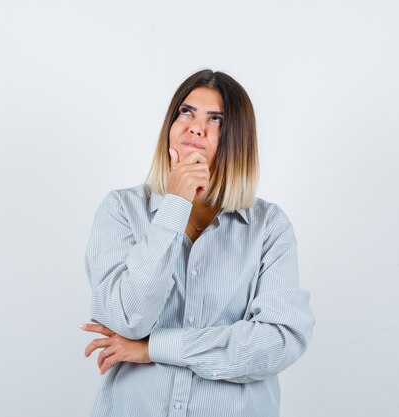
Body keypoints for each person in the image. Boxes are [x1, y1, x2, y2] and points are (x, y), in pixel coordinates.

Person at [80, 69, 315, 417]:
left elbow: (279, 342)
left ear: (238, 139)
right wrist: (175, 205)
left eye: (215, 119)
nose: (195, 127)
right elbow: (128, 319)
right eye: (186, 112)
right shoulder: (121, 210)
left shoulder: (269, 227)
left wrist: (155, 348)